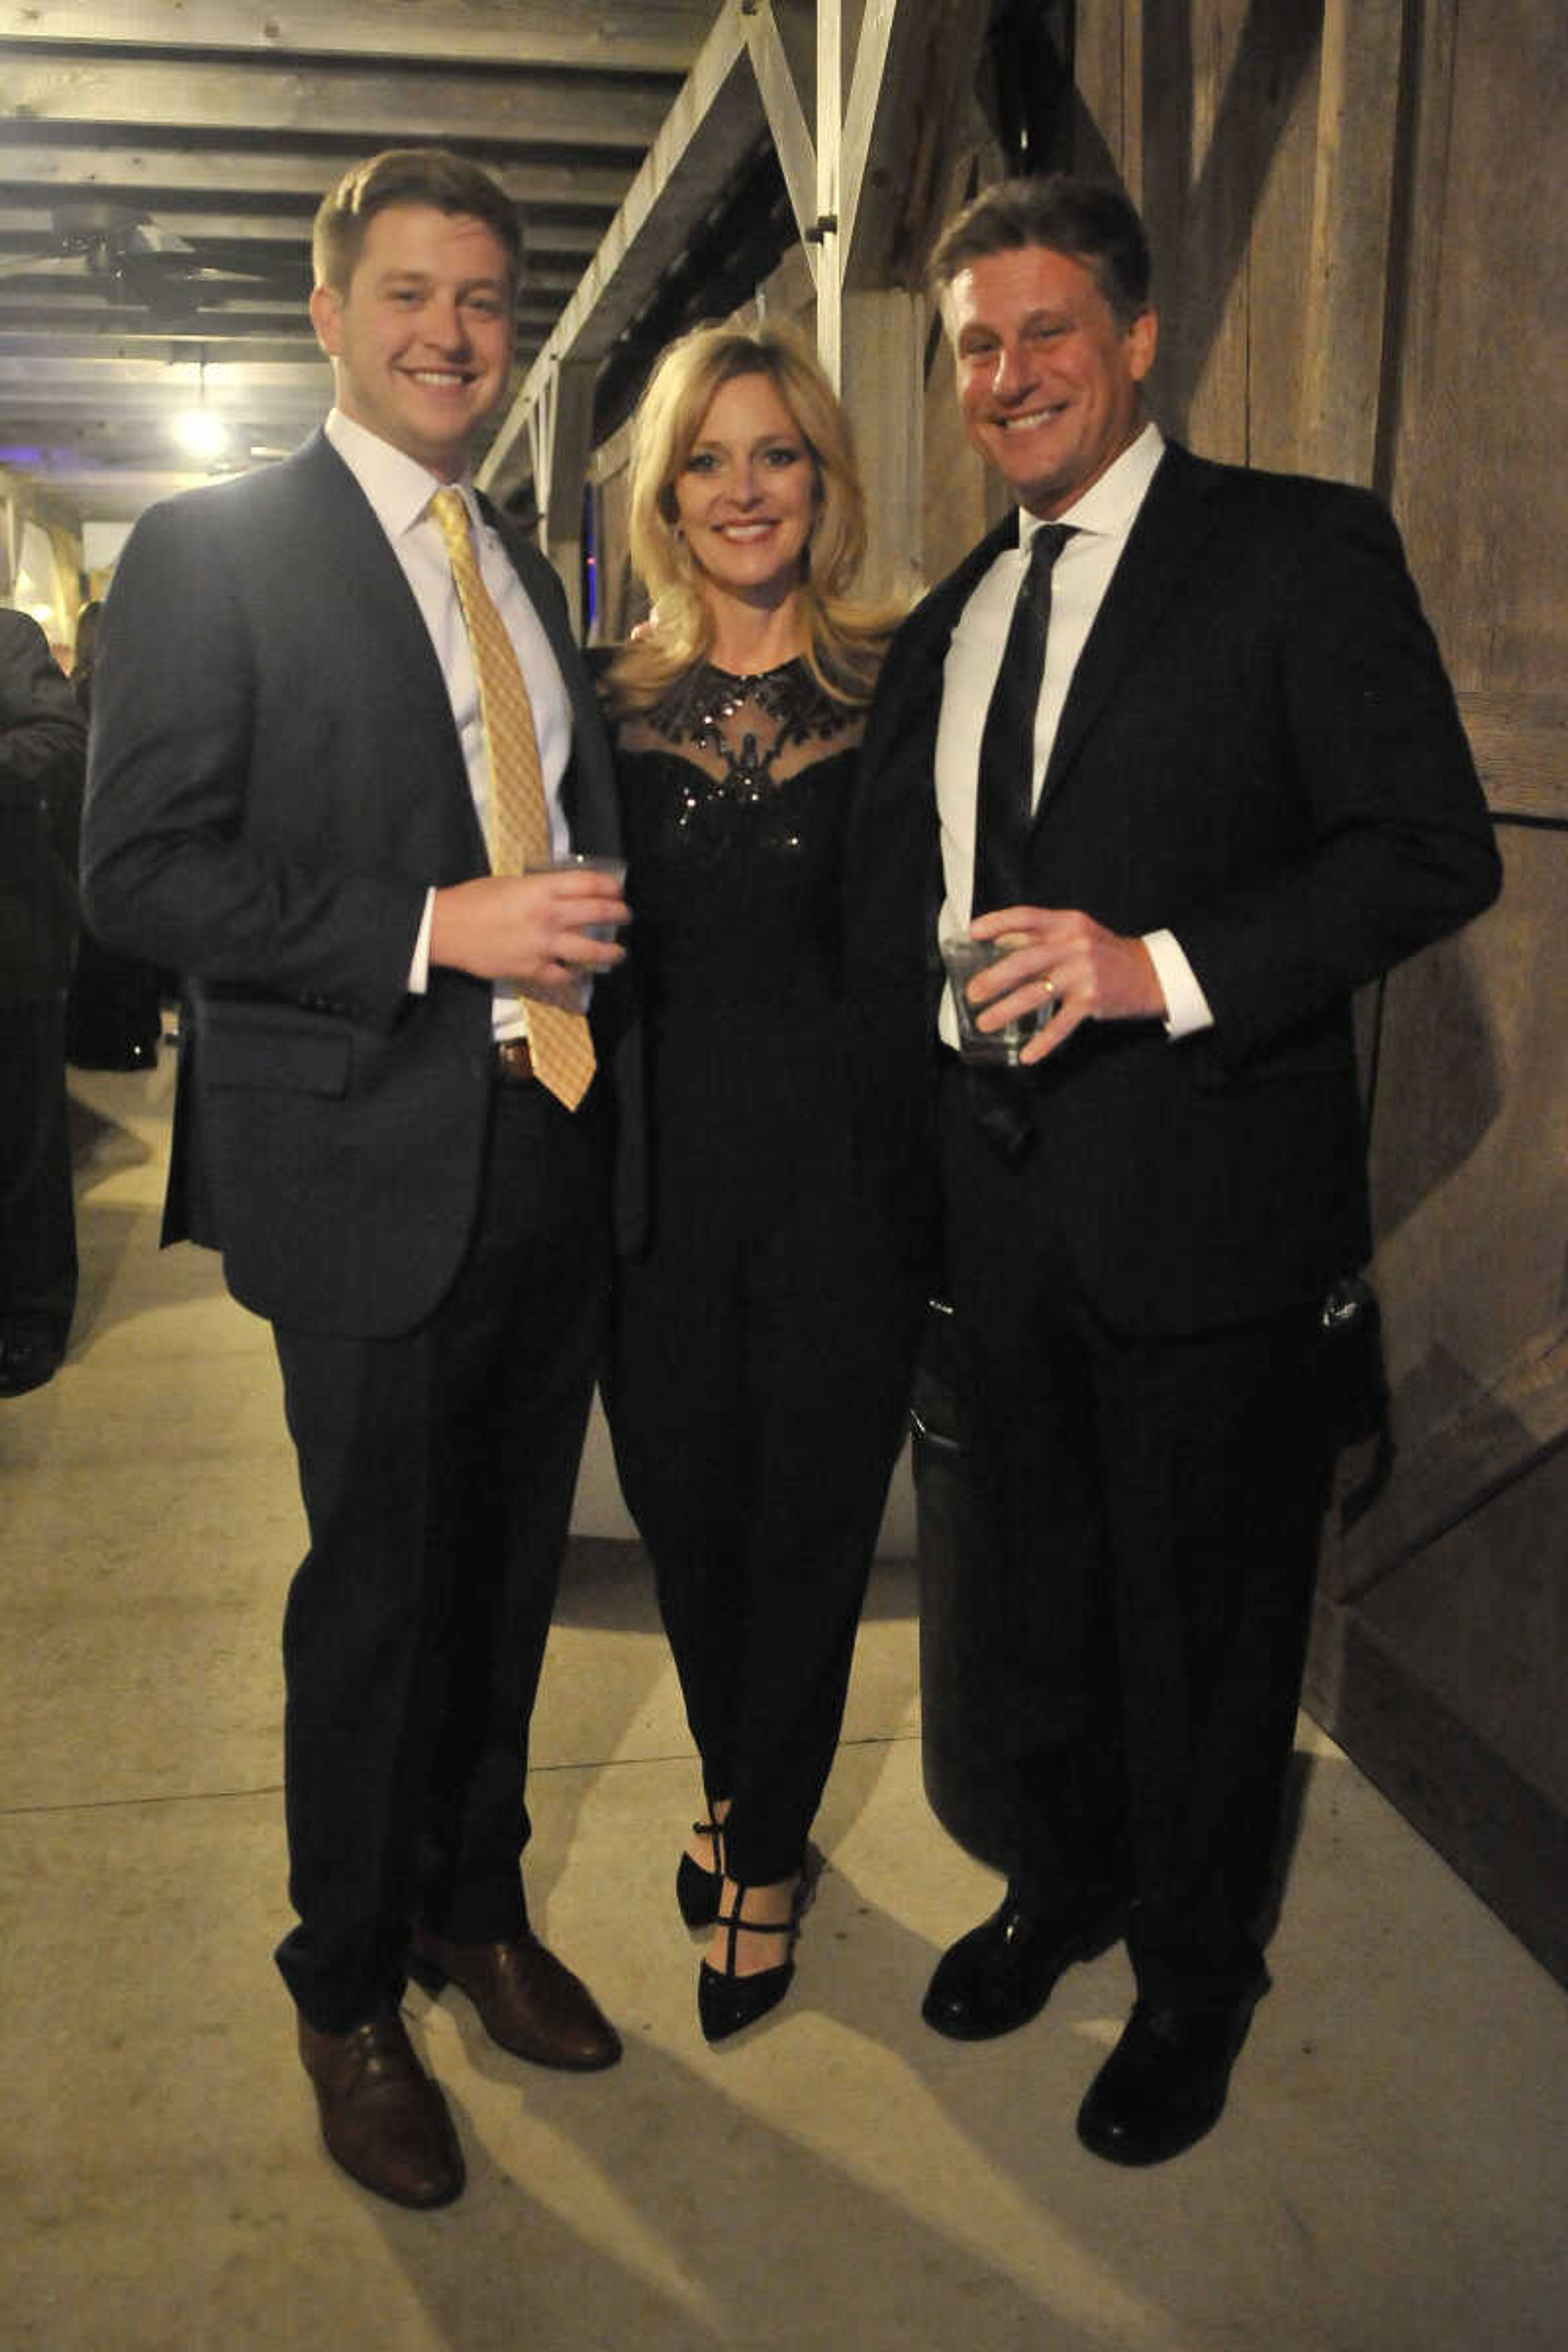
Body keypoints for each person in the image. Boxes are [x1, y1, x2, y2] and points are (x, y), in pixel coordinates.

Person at [847, 175, 1501, 2164]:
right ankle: (1067, 1889)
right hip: (998, 1209)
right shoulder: (949, 623)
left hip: (1207, 1212)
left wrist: (1158, 970)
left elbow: (1426, 852)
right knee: (1036, 1598)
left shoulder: (1297, 553)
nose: (1012, 371)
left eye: (1050, 329)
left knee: (1207, 1629)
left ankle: (1199, 1980)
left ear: (1138, 341)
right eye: (977, 342)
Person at [82, 147, 639, 2211]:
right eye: (407, 292)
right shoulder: (214, 550)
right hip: (368, 1163)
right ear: (327, 313)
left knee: (507, 1587)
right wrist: (440, 925)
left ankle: (468, 1911)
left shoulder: (508, 557)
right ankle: (341, 1988)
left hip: (550, 1141)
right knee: (380, 1602)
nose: (450, 334)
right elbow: (137, 873)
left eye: (485, 300)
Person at [598, 323, 922, 2041]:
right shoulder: (603, 704)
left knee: (807, 1537)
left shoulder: (901, 687)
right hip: (652, 1204)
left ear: (824, 480)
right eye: (710, 461)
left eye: (776, 454)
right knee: (691, 1531)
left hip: (846, 1198)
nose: (744, 490)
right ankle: (741, 1785)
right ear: (667, 495)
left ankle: (765, 1855)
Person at [0, 606, 87, 1396]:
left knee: (22, 1141)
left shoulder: (8, 636)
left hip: (10, 937)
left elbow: (58, 742)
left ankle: (30, 1319)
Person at [65, 600, 164, 1071]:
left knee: (93, 951)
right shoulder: (131, 692)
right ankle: (131, 1043)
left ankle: (91, 1043)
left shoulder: (69, 696)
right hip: (130, 824)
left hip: (79, 837)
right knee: (127, 945)